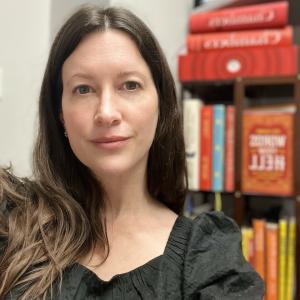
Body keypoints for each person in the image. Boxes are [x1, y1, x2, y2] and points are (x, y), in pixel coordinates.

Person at [0, 5, 264, 300]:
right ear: (60, 113)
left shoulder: (208, 256)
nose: (107, 113)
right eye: (84, 89)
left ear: (162, 105)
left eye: (129, 85)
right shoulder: (12, 222)